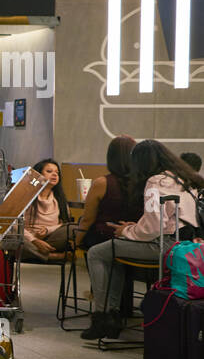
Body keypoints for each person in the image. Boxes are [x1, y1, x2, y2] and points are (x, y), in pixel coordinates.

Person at [82, 140, 204, 340]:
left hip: (163, 246)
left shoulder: (155, 181)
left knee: (97, 252)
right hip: (185, 245)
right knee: (112, 253)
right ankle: (112, 315)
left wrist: (127, 231)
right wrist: (134, 228)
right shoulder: (182, 178)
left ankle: (103, 317)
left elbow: (155, 225)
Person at [72, 135, 136, 251]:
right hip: (135, 239)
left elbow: (88, 219)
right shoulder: (146, 183)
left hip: (104, 237)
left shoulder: (102, 183)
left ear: (111, 158)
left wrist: (75, 243)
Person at [20, 158, 73, 261]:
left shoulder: (59, 198)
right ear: (38, 174)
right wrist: (34, 240)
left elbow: (64, 223)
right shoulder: (26, 196)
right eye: (49, 171)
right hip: (28, 238)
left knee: (72, 228)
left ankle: (35, 254)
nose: (54, 175)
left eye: (57, 172)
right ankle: (50, 256)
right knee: (12, 237)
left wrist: (48, 230)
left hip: (50, 239)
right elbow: (14, 225)